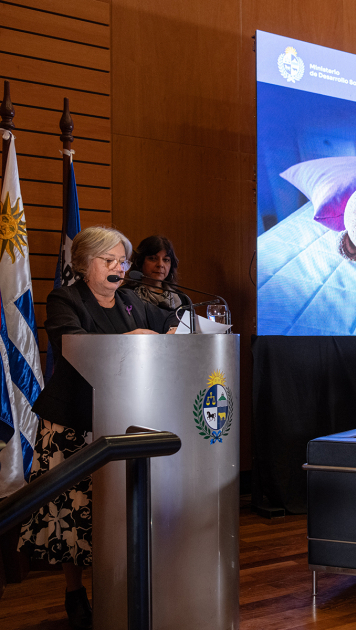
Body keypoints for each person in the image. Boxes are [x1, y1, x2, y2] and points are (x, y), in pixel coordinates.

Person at [17, 226, 176, 630]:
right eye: (109, 261)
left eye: (122, 262)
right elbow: (72, 343)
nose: (119, 268)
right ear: (85, 264)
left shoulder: (130, 302)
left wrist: (177, 333)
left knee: (116, 510)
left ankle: (121, 585)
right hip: (72, 420)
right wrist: (131, 340)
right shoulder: (65, 298)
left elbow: (170, 327)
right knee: (71, 511)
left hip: (123, 417)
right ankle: (75, 590)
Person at [128, 234, 182, 310]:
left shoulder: (182, 298)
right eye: (153, 259)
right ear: (140, 262)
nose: (160, 264)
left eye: (166, 260)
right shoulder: (125, 295)